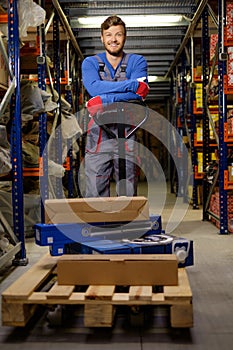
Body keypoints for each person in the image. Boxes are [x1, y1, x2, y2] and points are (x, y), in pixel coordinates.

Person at [81, 15, 149, 198]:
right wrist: (130, 85)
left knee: (128, 192)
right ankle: (98, 226)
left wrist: (102, 99)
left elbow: (139, 94)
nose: (113, 39)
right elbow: (93, 88)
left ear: (125, 37)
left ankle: (125, 226)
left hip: (127, 132)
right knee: (95, 191)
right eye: (109, 34)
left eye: (118, 34)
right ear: (102, 38)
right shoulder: (90, 63)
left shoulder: (137, 61)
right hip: (99, 135)